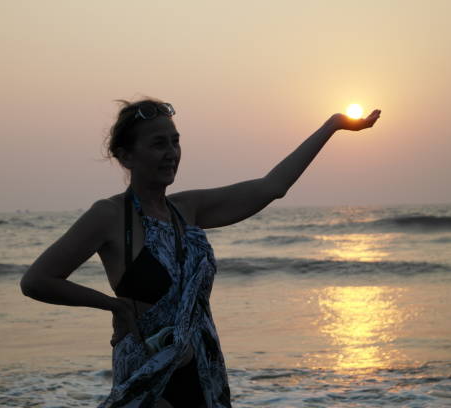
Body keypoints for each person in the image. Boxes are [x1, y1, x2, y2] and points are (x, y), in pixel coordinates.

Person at [19, 98, 381, 407]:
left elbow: (272, 187)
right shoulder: (110, 216)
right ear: (126, 156)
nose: (172, 153)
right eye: (159, 143)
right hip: (151, 374)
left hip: (203, 368)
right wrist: (113, 305)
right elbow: (37, 280)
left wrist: (332, 126)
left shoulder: (186, 209)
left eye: (175, 142)